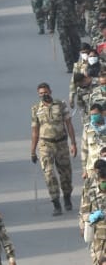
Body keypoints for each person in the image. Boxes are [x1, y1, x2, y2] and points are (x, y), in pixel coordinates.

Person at [31, 80, 77, 217]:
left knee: (66, 173)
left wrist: (73, 143)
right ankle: (56, 203)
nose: (43, 95)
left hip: (61, 144)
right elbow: (35, 131)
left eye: (45, 92)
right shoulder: (35, 109)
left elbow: (69, 124)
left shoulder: (61, 105)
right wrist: (32, 151)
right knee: (49, 174)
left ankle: (67, 197)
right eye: (40, 93)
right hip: (45, 145)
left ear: (50, 91)